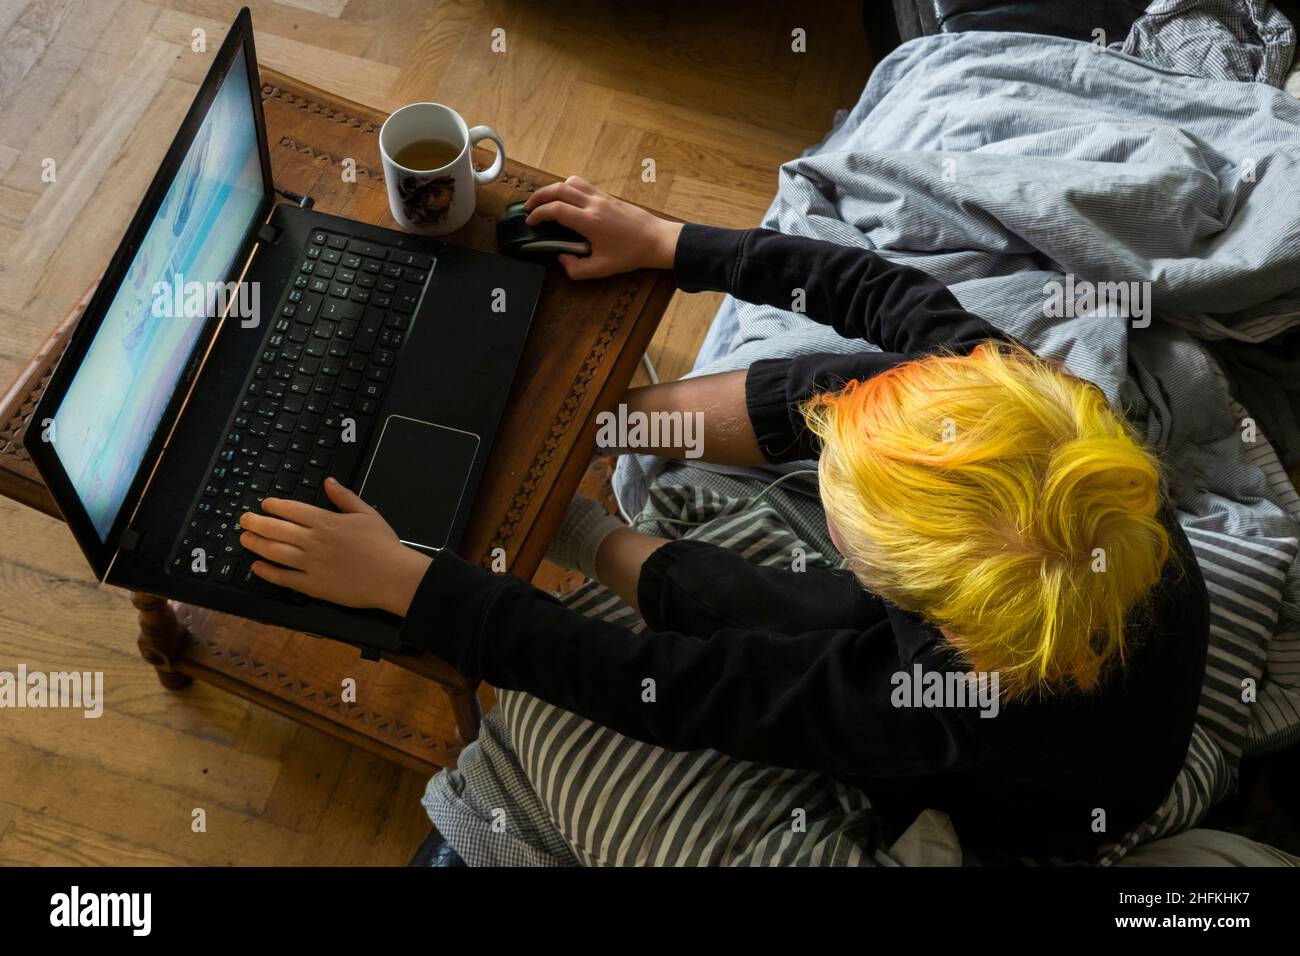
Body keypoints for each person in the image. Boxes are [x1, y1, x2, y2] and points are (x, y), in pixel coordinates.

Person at [237, 176, 1209, 857]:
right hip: (1034, 619)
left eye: (847, 526)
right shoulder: (1031, 408)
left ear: (938, 619)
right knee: (863, 380)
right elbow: (878, 288)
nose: (825, 502)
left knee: (788, 631)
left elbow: (672, 686)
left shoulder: (936, 699)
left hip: (1023, 802)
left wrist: (416, 585)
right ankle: (609, 430)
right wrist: (667, 241)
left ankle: (586, 527)